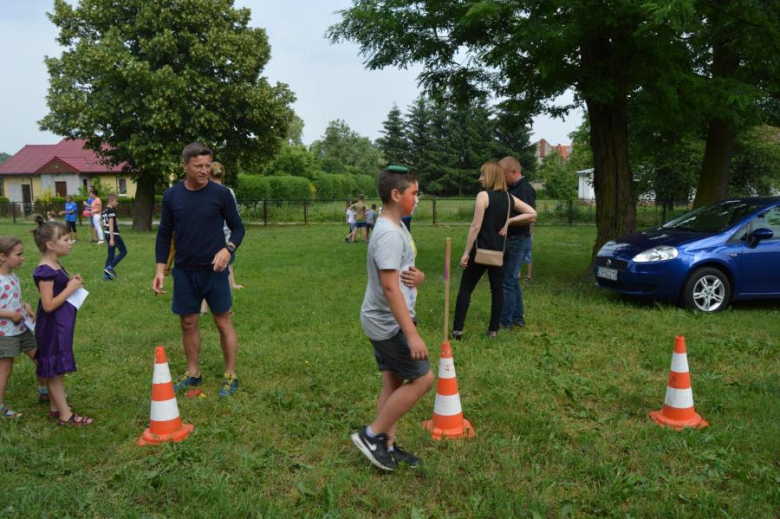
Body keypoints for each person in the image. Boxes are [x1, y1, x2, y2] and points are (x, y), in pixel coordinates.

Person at [351, 166, 433, 471]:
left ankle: (386, 444)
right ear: (396, 195)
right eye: (414, 193)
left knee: (392, 381)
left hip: (387, 319)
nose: (418, 198)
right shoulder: (387, 232)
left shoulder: (398, 226)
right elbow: (388, 286)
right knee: (424, 378)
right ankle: (371, 435)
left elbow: (400, 273)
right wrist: (410, 333)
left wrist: (419, 277)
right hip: (388, 323)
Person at [153, 143, 245, 398]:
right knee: (188, 322)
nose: (204, 171)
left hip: (215, 271)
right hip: (185, 271)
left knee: (222, 321)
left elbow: (238, 228)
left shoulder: (221, 194)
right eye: (198, 166)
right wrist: (160, 270)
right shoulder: (172, 196)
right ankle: (193, 372)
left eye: (207, 165)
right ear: (185, 167)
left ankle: (230, 374)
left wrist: (228, 250)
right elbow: (163, 234)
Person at [452, 162, 536, 339]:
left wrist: (466, 252)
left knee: (466, 289)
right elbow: (531, 213)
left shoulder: (483, 196)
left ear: (489, 176)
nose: (479, 178)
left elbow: (475, 226)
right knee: (497, 291)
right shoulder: (508, 198)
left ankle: (458, 330)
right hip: (499, 253)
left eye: (482, 175)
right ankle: (493, 331)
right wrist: (509, 221)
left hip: (480, 251)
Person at [31, 216, 93, 426]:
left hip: (60, 325)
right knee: (54, 368)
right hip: (52, 327)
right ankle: (66, 416)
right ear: (50, 245)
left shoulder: (55, 264)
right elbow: (48, 304)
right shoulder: (45, 271)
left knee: (55, 364)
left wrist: (71, 283)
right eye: (65, 239)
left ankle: (54, 407)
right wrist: (69, 289)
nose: (70, 242)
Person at [0, 237, 48, 419]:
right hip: (5, 334)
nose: (22, 258)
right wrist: (10, 315)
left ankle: (44, 391)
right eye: (18, 254)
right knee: (5, 369)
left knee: (41, 359)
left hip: (22, 329)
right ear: (2, 257)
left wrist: (24, 306)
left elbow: (10, 300)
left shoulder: (12, 276)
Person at [498, 156, 537, 329]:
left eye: (504, 175)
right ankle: (518, 318)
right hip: (513, 240)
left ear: (514, 172)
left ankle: (505, 322)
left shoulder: (525, 190)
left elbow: (530, 218)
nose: (502, 179)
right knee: (512, 281)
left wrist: (508, 221)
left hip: (519, 240)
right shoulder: (512, 188)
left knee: (507, 281)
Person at [200, 162, 242, 314]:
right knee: (224, 272)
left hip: (207, 238)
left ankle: (203, 308)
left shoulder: (203, 190)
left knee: (207, 272)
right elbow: (235, 218)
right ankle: (227, 309)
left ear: (209, 174)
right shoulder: (228, 192)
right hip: (225, 238)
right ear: (222, 174)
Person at [102, 195, 127, 281]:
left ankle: (106, 276)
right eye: (116, 201)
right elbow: (111, 225)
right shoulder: (111, 211)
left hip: (106, 233)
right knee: (123, 251)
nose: (117, 202)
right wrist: (112, 238)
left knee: (111, 255)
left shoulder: (105, 210)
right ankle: (110, 267)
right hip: (113, 234)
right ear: (110, 201)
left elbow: (104, 224)